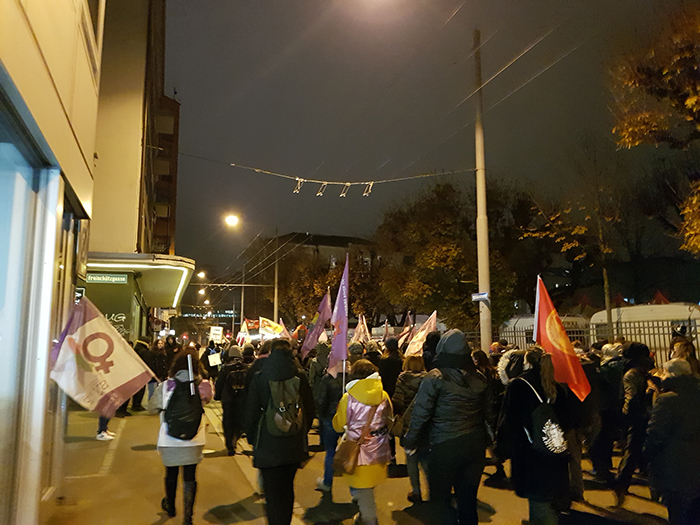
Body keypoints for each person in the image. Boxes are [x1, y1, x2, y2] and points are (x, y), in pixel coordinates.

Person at [404, 329, 490, 525]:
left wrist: (410, 440)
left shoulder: (435, 378)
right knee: (467, 502)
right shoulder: (479, 378)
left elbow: (421, 413)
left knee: (440, 503)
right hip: (474, 447)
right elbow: (487, 414)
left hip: (444, 446)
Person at [496, 347, 570, 525]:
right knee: (548, 500)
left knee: (538, 501)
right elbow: (567, 419)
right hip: (554, 452)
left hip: (529, 454)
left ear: (526, 362)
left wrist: (501, 449)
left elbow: (509, 421)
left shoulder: (519, 385)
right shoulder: (556, 386)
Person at [244, 338, 315, 525]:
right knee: (287, 489)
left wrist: (252, 438)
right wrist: (299, 430)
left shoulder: (260, 377)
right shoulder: (300, 376)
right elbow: (310, 409)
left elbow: (250, 412)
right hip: (293, 444)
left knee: (272, 493)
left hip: (267, 444)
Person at [148, 349, 213, 524]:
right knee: (190, 477)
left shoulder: (166, 385)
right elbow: (208, 399)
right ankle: (188, 517)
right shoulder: (204, 385)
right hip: (195, 438)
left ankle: (170, 506)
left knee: (171, 473)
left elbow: (151, 408)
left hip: (169, 438)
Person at [333, 359, 393, 525]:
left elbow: (338, 425)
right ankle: (363, 514)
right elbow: (389, 419)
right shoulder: (383, 395)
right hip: (379, 449)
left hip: (357, 452)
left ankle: (369, 520)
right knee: (368, 487)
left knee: (362, 489)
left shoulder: (348, 397)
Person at [645, 358, 700, 525]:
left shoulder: (666, 400)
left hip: (674, 464)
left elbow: (655, 434)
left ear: (671, 374)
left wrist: (648, 455)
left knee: (677, 513)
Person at [615, 342, 655, 506]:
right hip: (639, 416)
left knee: (635, 450)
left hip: (639, 416)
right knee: (633, 450)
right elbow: (630, 399)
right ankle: (621, 483)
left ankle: (623, 483)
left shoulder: (635, 373)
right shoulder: (635, 374)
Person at [392, 354, 428, 503]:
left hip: (408, 424)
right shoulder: (429, 379)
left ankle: (416, 491)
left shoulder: (402, 379)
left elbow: (398, 402)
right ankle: (432, 489)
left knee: (411, 458)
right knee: (426, 458)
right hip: (425, 423)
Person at [315, 359, 349, 495]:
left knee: (330, 451)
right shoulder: (351, 377)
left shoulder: (327, 378)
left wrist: (322, 417)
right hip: (348, 418)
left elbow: (321, 400)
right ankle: (355, 490)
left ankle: (327, 482)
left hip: (331, 418)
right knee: (350, 452)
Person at [215, 345, 248, 455]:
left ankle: (229, 445)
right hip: (241, 398)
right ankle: (235, 439)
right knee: (239, 420)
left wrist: (217, 396)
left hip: (228, 398)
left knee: (228, 420)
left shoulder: (225, 368)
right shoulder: (246, 367)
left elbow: (219, 384)